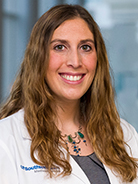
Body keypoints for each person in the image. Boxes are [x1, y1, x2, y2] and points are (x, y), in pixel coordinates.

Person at [0, 4, 138, 184]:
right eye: (60, 47)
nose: (75, 61)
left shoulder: (124, 134)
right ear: (39, 57)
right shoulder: (6, 140)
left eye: (85, 47)